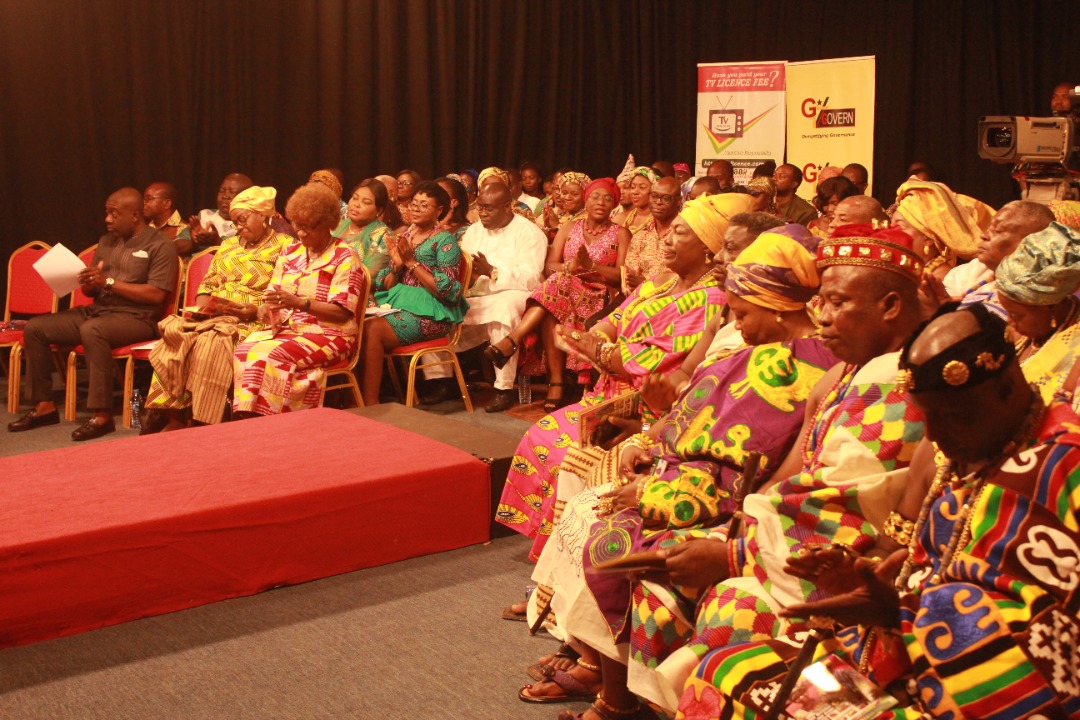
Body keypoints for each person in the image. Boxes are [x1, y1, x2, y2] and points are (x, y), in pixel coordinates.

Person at [678, 304, 1080, 719]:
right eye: (926, 417)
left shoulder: (1063, 468)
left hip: (986, 695)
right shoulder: (960, 448)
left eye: (951, 417)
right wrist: (857, 576)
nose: (934, 434)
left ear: (1006, 389)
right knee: (727, 670)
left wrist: (899, 613)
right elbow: (902, 553)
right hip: (906, 651)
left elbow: (1054, 641)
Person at [518, 225, 839, 716]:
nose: (737, 324)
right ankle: (598, 671)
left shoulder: (808, 368)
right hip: (686, 481)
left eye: (743, 314)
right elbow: (691, 416)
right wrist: (653, 437)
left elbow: (752, 463)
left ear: (776, 306)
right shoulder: (752, 352)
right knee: (596, 514)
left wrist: (653, 490)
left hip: (730, 507)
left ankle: (618, 695)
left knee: (612, 535)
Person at [623, 225, 928, 712]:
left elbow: (843, 507)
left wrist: (733, 554)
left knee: (730, 606)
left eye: (837, 303)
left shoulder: (898, 382)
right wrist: (741, 524)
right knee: (663, 573)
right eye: (822, 302)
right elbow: (795, 474)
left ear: (890, 306)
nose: (822, 317)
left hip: (867, 577)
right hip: (793, 544)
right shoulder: (850, 369)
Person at [495, 193, 755, 561]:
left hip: (647, 405)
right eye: (671, 231)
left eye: (680, 233)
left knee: (565, 451)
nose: (666, 239)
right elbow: (616, 317)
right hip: (608, 392)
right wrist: (595, 336)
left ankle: (566, 552)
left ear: (707, 247)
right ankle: (553, 546)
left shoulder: (711, 300)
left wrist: (597, 351)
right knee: (539, 435)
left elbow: (658, 364)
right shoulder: (663, 280)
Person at [9, 188, 179, 440]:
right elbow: (93, 289)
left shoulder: (160, 245)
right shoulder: (106, 241)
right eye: (106, 213)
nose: (107, 219)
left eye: (114, 214)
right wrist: (88, 282)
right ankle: (44, 405)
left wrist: (107, 281)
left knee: (92, 330)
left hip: (137, 317)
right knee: (36, 328)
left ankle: (102, 415)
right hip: (99, 310)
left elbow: (155, 295)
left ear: (134, 215)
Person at [143, 186, 291, 432]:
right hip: (218, 315)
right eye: (235, 222)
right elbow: (207, 288)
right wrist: (207, 309)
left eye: (243, 220)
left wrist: (253, 310)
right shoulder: (228, 245)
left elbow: (284, 293)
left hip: (254, 319)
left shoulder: (285, 246)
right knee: (175, 334)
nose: (238, 227)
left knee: (209, 341)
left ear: (262, 215)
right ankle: (174, 417)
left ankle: (203, 420)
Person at [484, 178, 629, 411]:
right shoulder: (570, 227)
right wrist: (569, 268)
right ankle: (556, 381)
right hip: (564, 291)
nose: (600, 202)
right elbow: (551, 264)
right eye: (595, 197)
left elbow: (621, 276)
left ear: (614, 204)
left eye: (607, 198)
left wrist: (591, 267)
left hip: (599, 295)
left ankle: (514, 342)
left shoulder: (620, 233)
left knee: (554, 291)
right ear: (586, 200)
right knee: (556, 291)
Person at [232, 183, 365, 416]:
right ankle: (248, 415)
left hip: (332, 335)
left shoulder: (345, 256)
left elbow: (342, 313)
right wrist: (265, 310)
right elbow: (273, 297)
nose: (301, 233)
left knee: (270, 355)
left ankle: (271, 420)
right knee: (244, 349)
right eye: (297, 226)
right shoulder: (290, 253)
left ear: (327, 224)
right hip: (290, 330)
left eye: (308, 227)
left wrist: (299, 303)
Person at [360, 181, 469, 406]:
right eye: (414, 204)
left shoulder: (445, 241)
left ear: (439, 210)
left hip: (433, 314)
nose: (417, 209)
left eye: (424, 205)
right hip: (401, 304)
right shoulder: (407, 235)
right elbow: (386, 285)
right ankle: (356, 397)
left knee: (372, 330)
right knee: (358, 324)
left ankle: (370, 402)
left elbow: (447, 291)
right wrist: (398, 266)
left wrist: (411, 262)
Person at [456, 182, 547, 412]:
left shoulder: (529, 232)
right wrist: (470, 276)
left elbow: (531, 277)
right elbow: (466, 266)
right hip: (479, 293)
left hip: (516, 292)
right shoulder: (474, 230)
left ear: (507, 206)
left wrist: (492, 272)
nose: (482, 213)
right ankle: (443, 380)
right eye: (480, 207)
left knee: (504, 308)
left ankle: (503, 388)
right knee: (441, 306)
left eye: (489, 208)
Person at [996, 221, 1080, 407]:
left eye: (1016, 315)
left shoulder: (1075, 347)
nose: (1010, 322)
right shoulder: (1023, 337)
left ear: (1049, 306)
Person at [935, 200, 1053, 311]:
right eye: (989, 228)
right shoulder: (970, 271)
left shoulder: (1037, 294)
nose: (983, 235)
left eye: (997, 231)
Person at [892, 178, 993, 282]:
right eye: (891, 225)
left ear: (928, 239)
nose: (889, 231)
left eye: (899, 226)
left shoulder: (945, 280)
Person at [623, 176, 682, 291]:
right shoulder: (640, 235)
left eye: (666, 198)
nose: (658, 202)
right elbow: (629, 276)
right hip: (638, 298)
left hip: (674, 298)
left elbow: (691, 278)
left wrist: (647, 285)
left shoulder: (686, 234)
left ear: (679, 200)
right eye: (654, 196)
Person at [334, 178, 396, 278]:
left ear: (379, 211)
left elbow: (371, 275)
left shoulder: (383, 236)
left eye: (366, 202)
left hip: (354, 284)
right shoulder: (337, 225)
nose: (356, 204)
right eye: (355, 198)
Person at [143, 182, 191, 253]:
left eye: (148, 198)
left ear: (167, 203)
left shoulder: (185, 231)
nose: (144, 203)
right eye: (144, 199)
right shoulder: (144, 229)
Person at [617, 167, 660, 236]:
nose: (635, 192)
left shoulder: (660, 222)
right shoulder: (619, 219)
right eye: (633, 187)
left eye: (642, 187)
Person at [436, 175, 472, 241]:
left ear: (454, 202)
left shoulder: (466, 232)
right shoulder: (425, 226)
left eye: (440, 195)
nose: (434, 198)